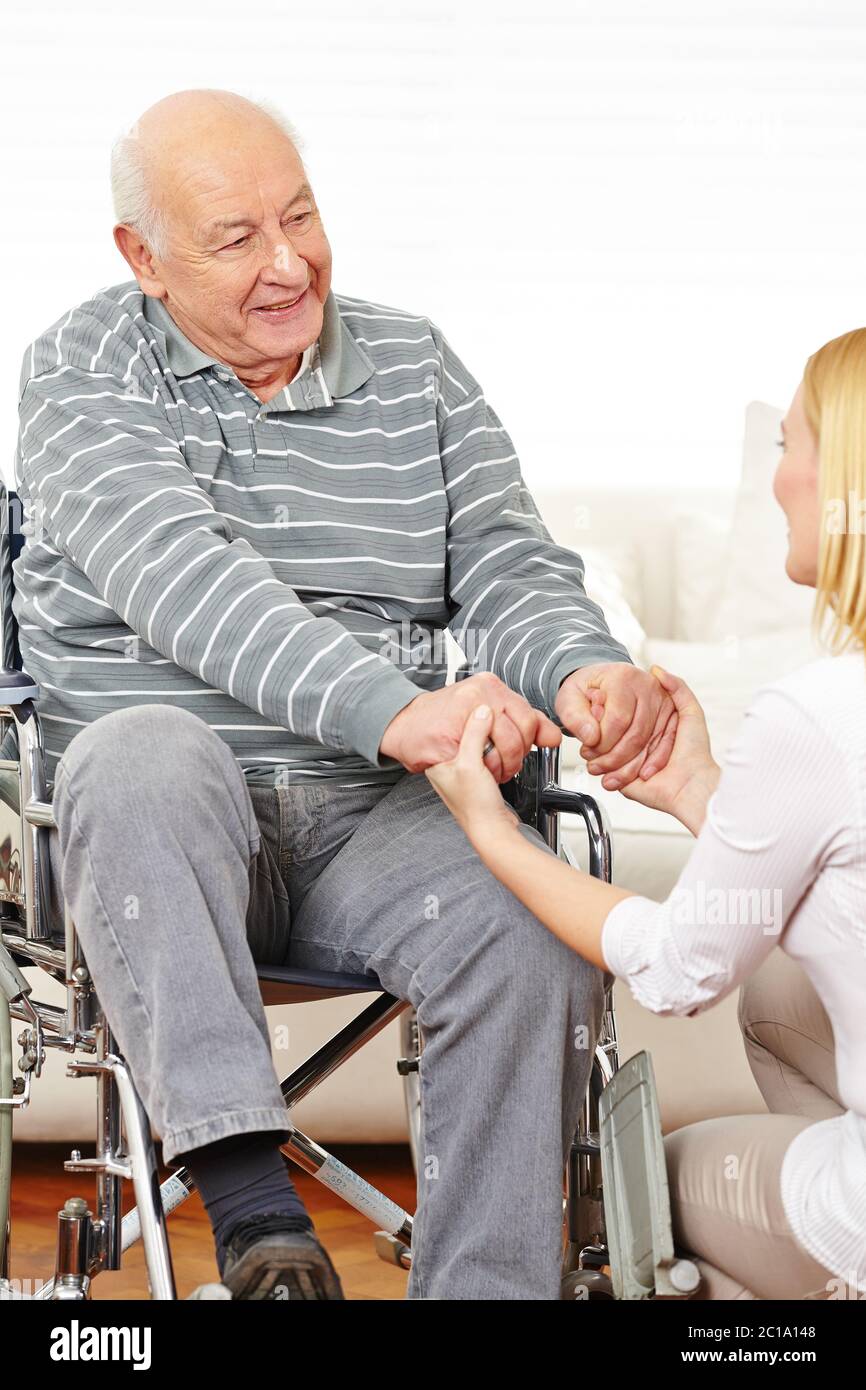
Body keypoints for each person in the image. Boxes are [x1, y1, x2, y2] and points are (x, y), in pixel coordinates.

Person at [14, 88, 676, 1299]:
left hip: (374, 817)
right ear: (141, 259)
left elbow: (508, 564)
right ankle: (256, 1206)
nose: (287, 263)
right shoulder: (79, 365)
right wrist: (394, 705)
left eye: (301, 217)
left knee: (531, 910)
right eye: (235, 239)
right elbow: (184, 579)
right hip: (157, 828)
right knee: (140, 748)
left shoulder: (413, 362)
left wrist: (581, 672)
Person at [426, 327, 866, 1300]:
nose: (774, 479)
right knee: (780, 1000)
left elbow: (677, 969)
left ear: (842, 486)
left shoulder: (822, 711)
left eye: (790, 447)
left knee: (640, 1189)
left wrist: (490, 833)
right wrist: (696, 787)